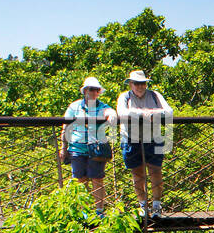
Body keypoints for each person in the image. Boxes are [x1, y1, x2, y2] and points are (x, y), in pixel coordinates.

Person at [116, 69, 173, 218]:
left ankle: (156, 206)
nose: (140, 87)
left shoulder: (155, 95)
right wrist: (144, 113)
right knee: (137, 175)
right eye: (136, 83)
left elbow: (169, 112)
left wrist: (153, 113)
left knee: (156, 172)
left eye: (142, 83)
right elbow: (122, 113)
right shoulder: (124, 97)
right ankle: (143, 207)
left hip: (153, 138)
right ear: (130, 84)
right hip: (131, 139)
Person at [60, 77, 116, 218]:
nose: (94, 92)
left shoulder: (102, 106)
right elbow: (65, 127)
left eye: (96, 90)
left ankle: (99, 211)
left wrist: (111, 116)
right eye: (91, 89)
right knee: (80, 179)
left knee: (97, 179)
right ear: (85, 91)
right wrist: (63, 146)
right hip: (77, 146)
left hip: (96, 147)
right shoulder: (74, 107)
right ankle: (83, 211)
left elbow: (110, 112)